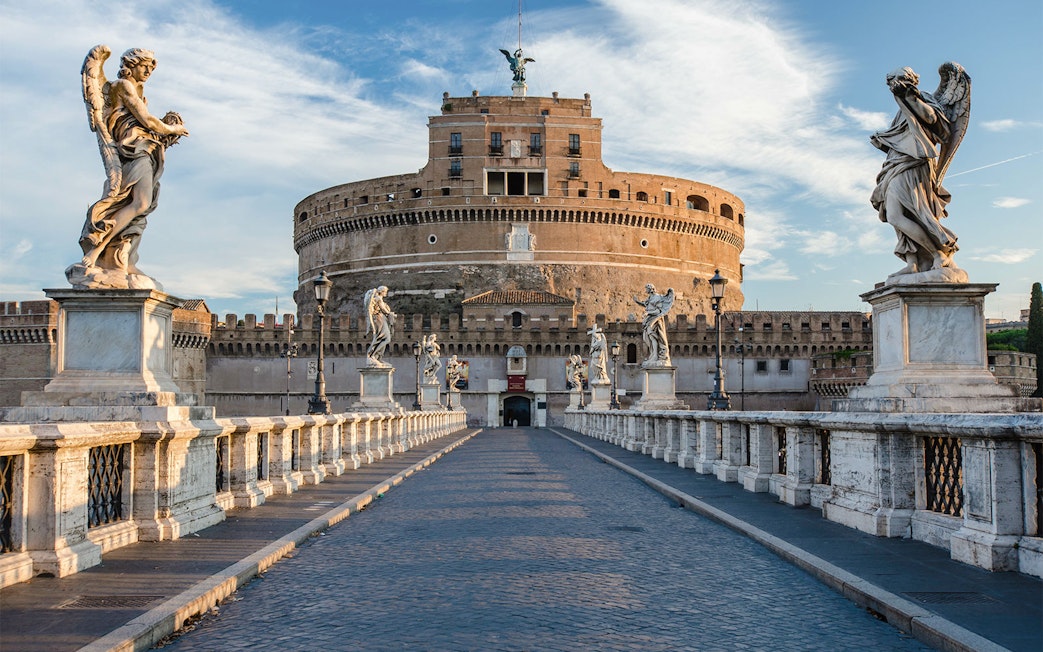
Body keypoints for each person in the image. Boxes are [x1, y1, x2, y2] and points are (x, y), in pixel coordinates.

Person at [75, 46, 188, 283]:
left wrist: (162, 136)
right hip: (132, 151)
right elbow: (145, 120)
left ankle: (124, 260)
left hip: (143, 150)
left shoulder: (136, 91)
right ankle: (98, 249)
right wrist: (172, 128)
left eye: (151, 68)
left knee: (141, 207)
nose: (148, 71)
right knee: (139, 202)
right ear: (132, 64)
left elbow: (145, 124)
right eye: (145, 66)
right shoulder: (122, 86)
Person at [870, 65, 969, 280]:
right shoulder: (900, 111)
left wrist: (911, 98)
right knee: (895, 214)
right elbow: (903, 137)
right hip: (896, 164)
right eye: (890, 83)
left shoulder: (921, 98)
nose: (892, 86)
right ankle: (913, 262)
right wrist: (884, 140)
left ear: (908, 80)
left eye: (895, 80)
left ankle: (938, 253)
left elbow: (935, 122)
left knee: (913, 211)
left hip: (915, 165)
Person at [633, 284, 675, 367]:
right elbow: (646, 304)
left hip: (655, 320)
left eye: (646, 289)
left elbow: (658, 311)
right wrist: (637, 301)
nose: (645, 290)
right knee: (646, 338)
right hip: (649, 319)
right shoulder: (650, 298)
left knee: (653, 337)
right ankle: (653, 354)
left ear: (650, 289)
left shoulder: (657, 297)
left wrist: (648, 313)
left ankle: (655, 355)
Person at [364, 286, 395, 366]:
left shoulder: (379, 299)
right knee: (385, 338)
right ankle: (373, 355)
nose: (386, 293)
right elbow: (383, 309)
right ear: (381, 291)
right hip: (379, 319)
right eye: (385, 291)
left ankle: (379, 357)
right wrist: (390, 314)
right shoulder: (378, 298)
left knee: (384, 338)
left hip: (381, 319)